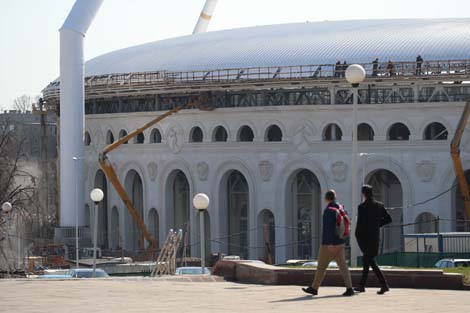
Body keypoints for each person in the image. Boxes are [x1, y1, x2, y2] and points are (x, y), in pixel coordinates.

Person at [302, 190, 354, 297]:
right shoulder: (341, 208)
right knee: (343, 267)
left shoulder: (329, 211)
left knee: (321, 267)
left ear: (326, 199)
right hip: (340, 242)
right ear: (335, 197)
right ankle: (349, 288)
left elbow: (328, 228)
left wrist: (329, 243)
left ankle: (314, 288)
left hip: (329, 245)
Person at [354, 185, 392, 295]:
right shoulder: (379, 205)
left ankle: (384, 285)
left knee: (370, 262)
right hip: (375, 238)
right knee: (367, 261)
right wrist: (377, 225)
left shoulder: (362, 207)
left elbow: (360, 224)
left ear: (363, 194)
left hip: (365, 239)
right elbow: (389, 219)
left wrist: (357, 236)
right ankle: (361, 285)